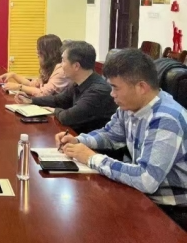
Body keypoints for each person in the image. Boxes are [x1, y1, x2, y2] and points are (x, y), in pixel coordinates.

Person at [56, 49, 187, 231]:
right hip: (143, 196)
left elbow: (146, 179)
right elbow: (110, 135)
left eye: (116, 87)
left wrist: (92, 158)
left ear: (141, 87)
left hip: (171, 211)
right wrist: (79, 141)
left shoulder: (166, 119)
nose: (112, 94)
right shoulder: (130, 106)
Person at [16, 40, 117, 134]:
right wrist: (31, 100)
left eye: (63, 61)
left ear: (76, 66)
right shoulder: (77, 82)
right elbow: (58, 100)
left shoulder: (98, 91)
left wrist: (54, 110)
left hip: (91, 143)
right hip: (77, 137)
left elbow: (68, 117)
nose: (60, 65)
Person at [0, 34, 70, 97]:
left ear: (49, 52)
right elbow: (32, 84)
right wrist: (13, 75)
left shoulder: (61, 70)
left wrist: (19, 87)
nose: (37, 52)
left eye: (39, 51)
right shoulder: (48, 67)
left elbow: (43, 93)